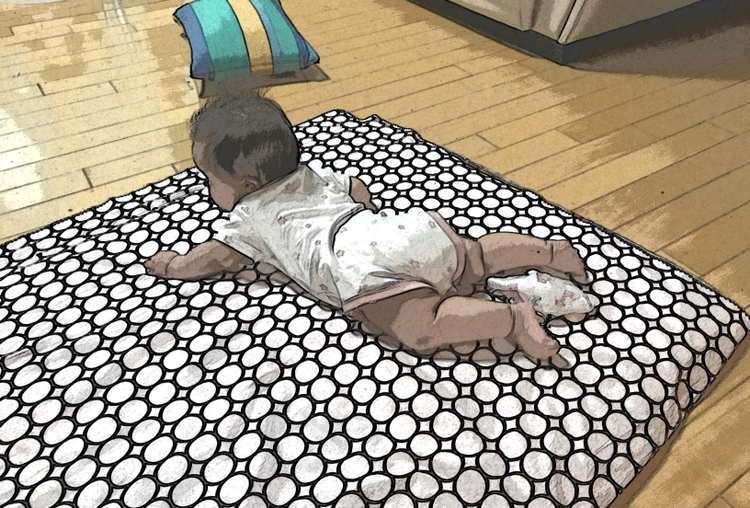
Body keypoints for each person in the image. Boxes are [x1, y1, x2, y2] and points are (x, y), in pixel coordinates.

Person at [145, 94, 587, 360]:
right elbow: (357, 188)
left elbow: (217, 258)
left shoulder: (250, 217)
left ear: (246, 184)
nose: (206, 188)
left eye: (208, 179)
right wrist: (368, 218)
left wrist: (173, 265)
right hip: (403, 230)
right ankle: (549, 251)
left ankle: (511, 320)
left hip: (362, 266)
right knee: (474, 256)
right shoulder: (311, 175)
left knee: (420, 327)